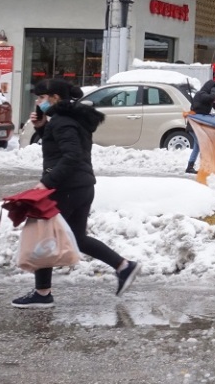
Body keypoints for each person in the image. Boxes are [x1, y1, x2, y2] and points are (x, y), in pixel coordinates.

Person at [13, 79, 139, 309]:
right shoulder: (70, 120)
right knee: (77, 238)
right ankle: (124, 266)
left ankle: (42, 294)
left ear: (55, 98)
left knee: (44, 235)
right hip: (81, 187)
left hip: (66, 188)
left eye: (41, 98)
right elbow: (60, 149)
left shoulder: (62, 122)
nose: (37, 102)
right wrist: (42, 128)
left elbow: (71, 156)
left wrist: (46, 183)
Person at [184, 76, 215, 174]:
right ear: (210, 88)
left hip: (197, 126)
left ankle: (190, 167)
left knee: (197, 147)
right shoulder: (201, 94)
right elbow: (210, 97)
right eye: (214, 90)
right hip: (194, 126)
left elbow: (203, 108)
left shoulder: (203, 97)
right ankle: (204, 168)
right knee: (203, 146)